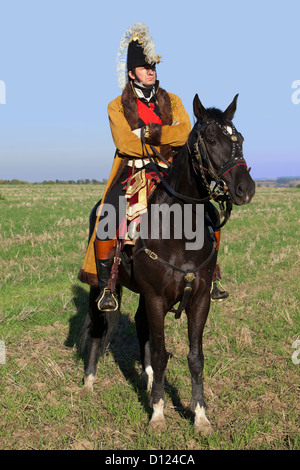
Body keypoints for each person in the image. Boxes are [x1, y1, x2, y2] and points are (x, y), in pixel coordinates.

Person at [78, 22, 229, 311]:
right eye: (145, 67)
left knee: (207, 211)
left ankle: (211, 276)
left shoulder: (174, 101)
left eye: (154, 67)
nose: (151, 71)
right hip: (133, 171)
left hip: (171, 170)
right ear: (132, 72)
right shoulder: (116, 106)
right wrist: (161, 137)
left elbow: (185, 133)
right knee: (109, 210)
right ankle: (108, 284)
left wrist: (150, 134)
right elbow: (124, 143)